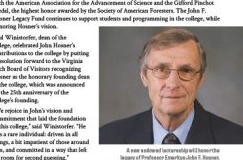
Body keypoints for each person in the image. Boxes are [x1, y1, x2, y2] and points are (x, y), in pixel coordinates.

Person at [99, 28, 243, 145]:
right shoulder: (106, 139)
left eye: (186, 71)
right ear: (144, 76)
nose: (173, 84)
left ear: (200, 79)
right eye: (161, 69)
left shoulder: (236, 140)